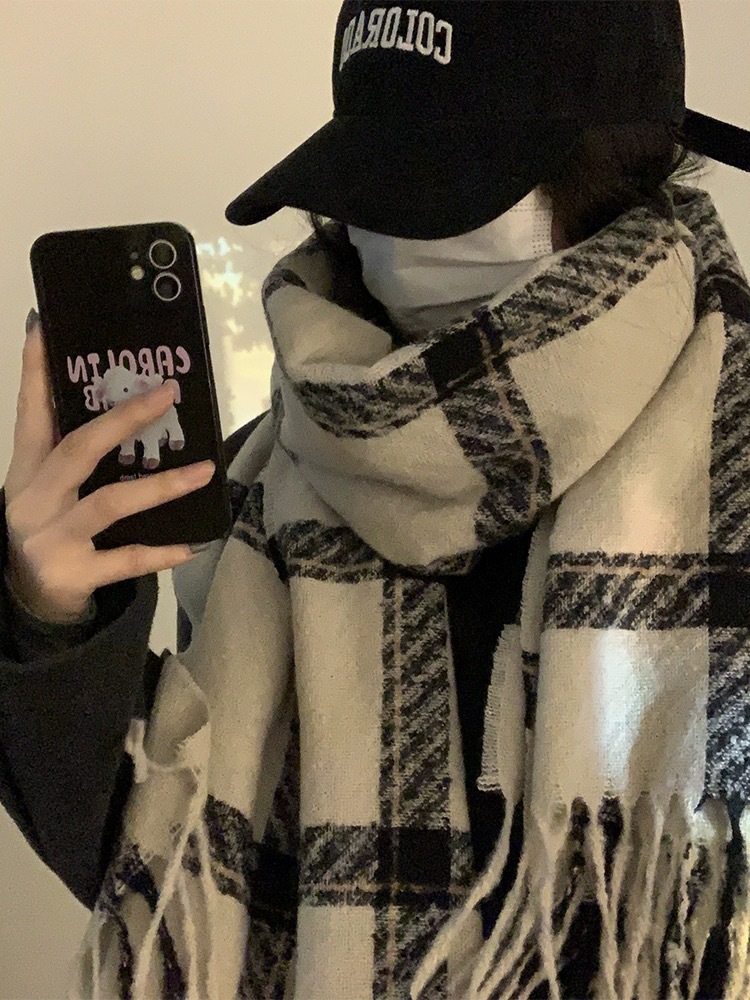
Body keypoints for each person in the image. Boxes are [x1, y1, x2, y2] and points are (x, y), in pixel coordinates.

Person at [2, 3, 749, 998]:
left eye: (437, 188)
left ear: (610, 171)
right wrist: (50, 622)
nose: (389, 234)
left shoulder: (726, 467)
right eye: (372, 184)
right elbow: (163, 886)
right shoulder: (265, 481)